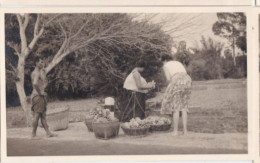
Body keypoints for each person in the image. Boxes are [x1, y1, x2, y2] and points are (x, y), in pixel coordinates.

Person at [160, 55, 192, 136]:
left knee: (176, 107)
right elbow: (184, 72)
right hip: (187, 80)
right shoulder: (178, 63)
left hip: (177, 80)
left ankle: (175, 131)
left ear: (164, 60)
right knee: (184, 107)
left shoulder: (166, 65)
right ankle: (185, 131)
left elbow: (168, 79)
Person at [30, 58, 56, 139]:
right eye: (41, 62)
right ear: (36, 63)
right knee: (37, 115)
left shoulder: (38, 72)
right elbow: (35, 84)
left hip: (39, 96)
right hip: (38, 96)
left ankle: (48, 133)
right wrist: (40, 93)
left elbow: (44, 84)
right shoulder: (36, 72)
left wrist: (44, 73)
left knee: (43, 115)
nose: (42, 63)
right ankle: (33, 135)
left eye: (43, 62)